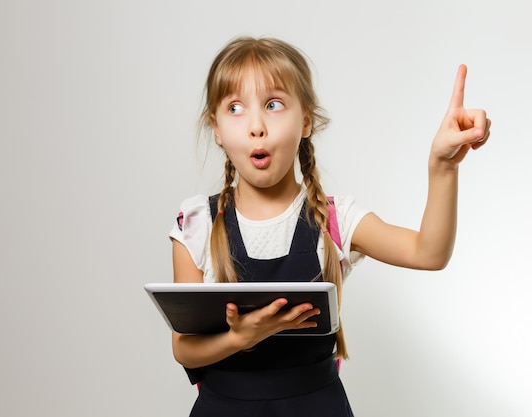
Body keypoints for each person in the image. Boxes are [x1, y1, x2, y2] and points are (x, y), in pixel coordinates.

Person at [169, 36, 491, 417]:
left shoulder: (336, 220)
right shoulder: (197, 224)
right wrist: (241, 338)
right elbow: (183, 348)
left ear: (305, 120)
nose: (256, 125)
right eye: (235, 107)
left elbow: (429, 253)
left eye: (273, 104)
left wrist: (443, 167)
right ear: (217, 128)